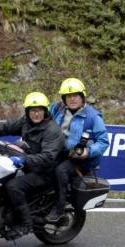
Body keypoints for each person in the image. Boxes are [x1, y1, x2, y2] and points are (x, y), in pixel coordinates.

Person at [0, 92, 64, 238]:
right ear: (27, 111)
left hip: (45, 171)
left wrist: (25, 160)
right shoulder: (26, 122)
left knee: (13, 186)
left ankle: (25, 225)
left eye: (39, 110)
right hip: (30, 165)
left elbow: (49, 157)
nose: (36, 113)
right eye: (32, 110)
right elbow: (7, 127)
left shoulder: (52, 130)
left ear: (45, 111)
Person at [45, 78, 109, 223]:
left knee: (60, 171)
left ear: (82, 96)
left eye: (75, 95)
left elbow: (103, 142)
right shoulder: (57, 109)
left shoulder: (93, 117)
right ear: (64, 98)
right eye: (68, 96)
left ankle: (59, 208)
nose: (72, 99)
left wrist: (88, 151)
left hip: (80, 158)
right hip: (59, 151)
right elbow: (43, 120)